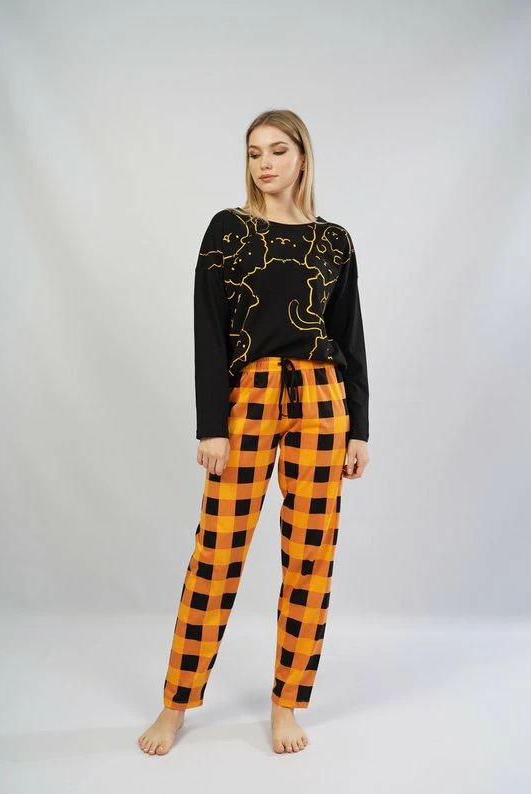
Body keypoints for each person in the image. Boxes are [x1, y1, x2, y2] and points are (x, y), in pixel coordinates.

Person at [138, 108, 370, 756]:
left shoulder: (335, 242)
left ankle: (286, 704)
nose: (264, 163)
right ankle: (176, 703)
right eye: (253, 152)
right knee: (217, 553)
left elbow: (350, 336)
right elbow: (208, 330)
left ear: (302, 156)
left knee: (310, 559)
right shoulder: (229, 229)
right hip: (252, 397)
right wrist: (211, 424)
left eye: (277, 150)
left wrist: (359, 428)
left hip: (322, 402)